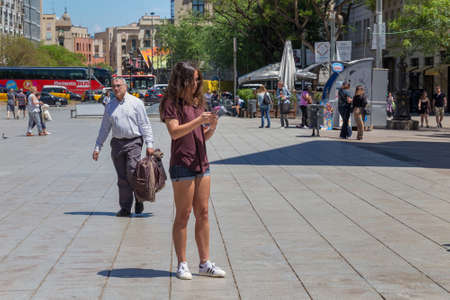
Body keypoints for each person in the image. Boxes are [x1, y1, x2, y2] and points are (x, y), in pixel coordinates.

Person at [160, 62, 226, 280]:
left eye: (198, 79)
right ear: (182, 80)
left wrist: (211, 127)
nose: (197, 83)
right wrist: (199, 120)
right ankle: (182, 263)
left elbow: (201, 137)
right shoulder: (171, 103)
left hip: (202, 162)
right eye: (193, 79)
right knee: (184, 214)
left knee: (204, 213)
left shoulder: (197, 102)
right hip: (182, 164)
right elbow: (175, 133)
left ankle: (205, 262)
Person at [92, 77, 154, 217]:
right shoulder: (110, 105)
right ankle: (125, 208)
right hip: (117, 144)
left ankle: (139, 198)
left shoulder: (136, 103)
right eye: (113, 86)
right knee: (122, 178)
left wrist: (150, 144)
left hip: (134, 142)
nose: (116, 89)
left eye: (118, 86)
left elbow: (145, 124)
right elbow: (104, 128)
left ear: (125, 87)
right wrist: (97, 147)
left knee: (132, 171)